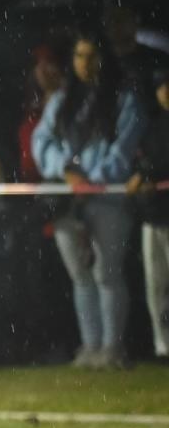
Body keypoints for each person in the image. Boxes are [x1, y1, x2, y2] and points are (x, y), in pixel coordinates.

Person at [32, 30, 145, 369]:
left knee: (107, 273)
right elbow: (41, 142)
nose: (85, 63)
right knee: (80, 275)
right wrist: (65, 171)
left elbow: (123, 151)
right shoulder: (63, 100)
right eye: (79, 56)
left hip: (106, 198)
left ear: (104, 59)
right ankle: (90, 347)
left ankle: (112, 348)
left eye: (92, 55)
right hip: (69, 198)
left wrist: (91, 180)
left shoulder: (125, 99)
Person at [129, 68, 169, 359]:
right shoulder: (152, 126)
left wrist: (149, 173)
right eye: (161, 87)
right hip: (152, 216)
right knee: (155, 286)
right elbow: (143, 160)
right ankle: (162, 345)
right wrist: (141, 174)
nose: (165, 92)